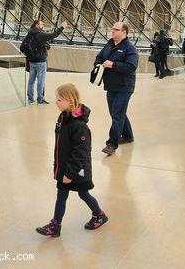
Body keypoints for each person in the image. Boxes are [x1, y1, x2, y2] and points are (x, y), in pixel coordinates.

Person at [36, 83, 107, 237]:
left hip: (76, 170)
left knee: (83, 193)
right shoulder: (63, 117)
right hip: (64, 168)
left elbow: (80, 152)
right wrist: (59, 166)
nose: (56, 102)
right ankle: (55, 225)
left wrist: (69, 173)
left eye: (60, 100)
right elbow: (61, 145)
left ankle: (99, 214)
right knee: (61, 194)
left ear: (70, 100)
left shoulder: (79, 125)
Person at [93, 22, 138, 156]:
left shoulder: (130, 48)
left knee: (117, 114)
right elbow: (99, 57)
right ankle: (128, 136)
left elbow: (131, 66)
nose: (112, 31)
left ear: (124, 33)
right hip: (111, 85)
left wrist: (113, 64)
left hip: (124, 87)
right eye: (112, 29)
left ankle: (112, 144)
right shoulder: (109, 44)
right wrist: (98, 64)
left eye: (116, 30)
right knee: (116, 112)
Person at [21, 18, 67, 105]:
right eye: (41, 24)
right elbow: (54, 35)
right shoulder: (40, 34)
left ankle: (30, 99)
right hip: (41, 62)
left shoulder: (29, 34)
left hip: (31, 62)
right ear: (37, 25)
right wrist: (62, 27)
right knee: (40, 81)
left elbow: (22, 47)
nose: (43, 26)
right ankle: (40, 99)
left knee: (31, 81)